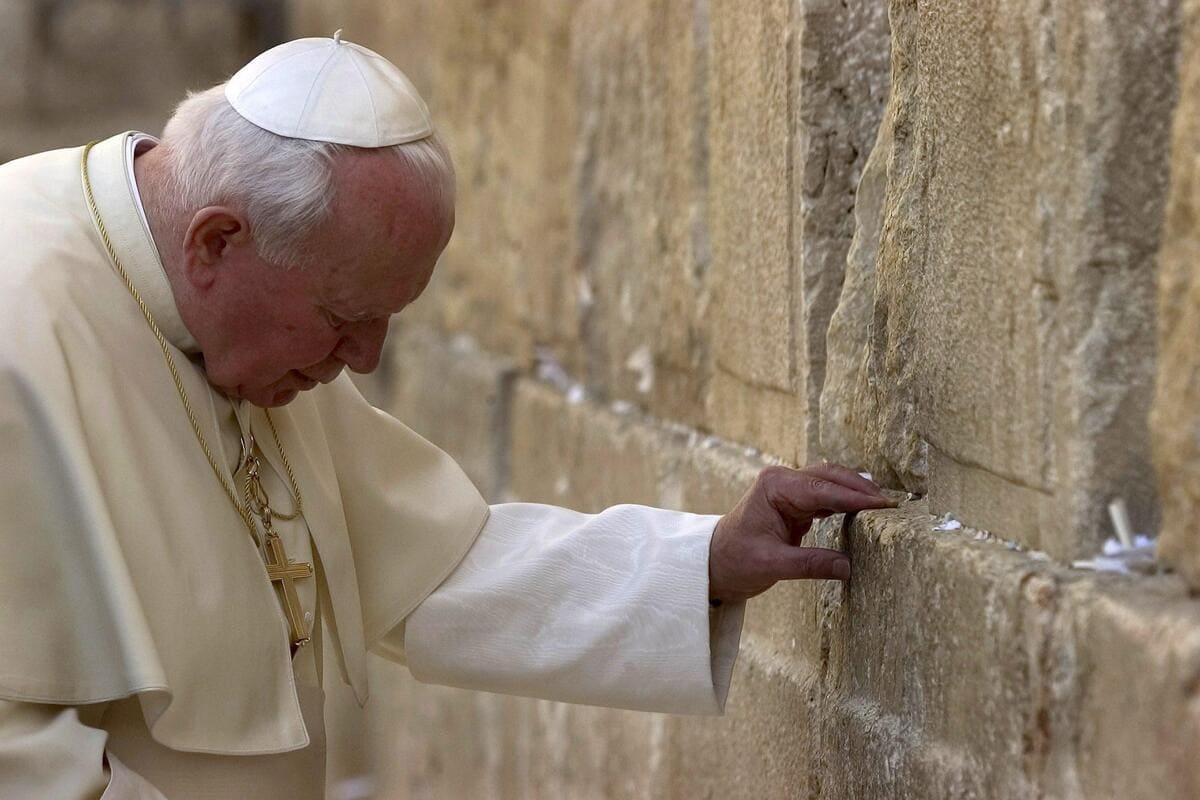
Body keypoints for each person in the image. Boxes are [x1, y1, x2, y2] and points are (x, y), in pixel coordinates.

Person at [0, 32, 895, 798]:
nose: (366, 361)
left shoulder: (243, 322)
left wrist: (705, 560)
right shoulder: (20, 322)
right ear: (217, 242)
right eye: (345, 319)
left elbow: (431, 563)